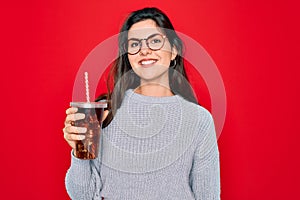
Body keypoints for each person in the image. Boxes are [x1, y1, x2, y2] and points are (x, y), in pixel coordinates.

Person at [63, 7, 220, 200]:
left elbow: (208, 197)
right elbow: (83, 195)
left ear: (173, 51)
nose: (144, 50)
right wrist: (79, 152)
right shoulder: (104, 113)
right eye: (135, 44)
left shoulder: (199, 120)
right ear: (128, 55)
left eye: (155, 41)